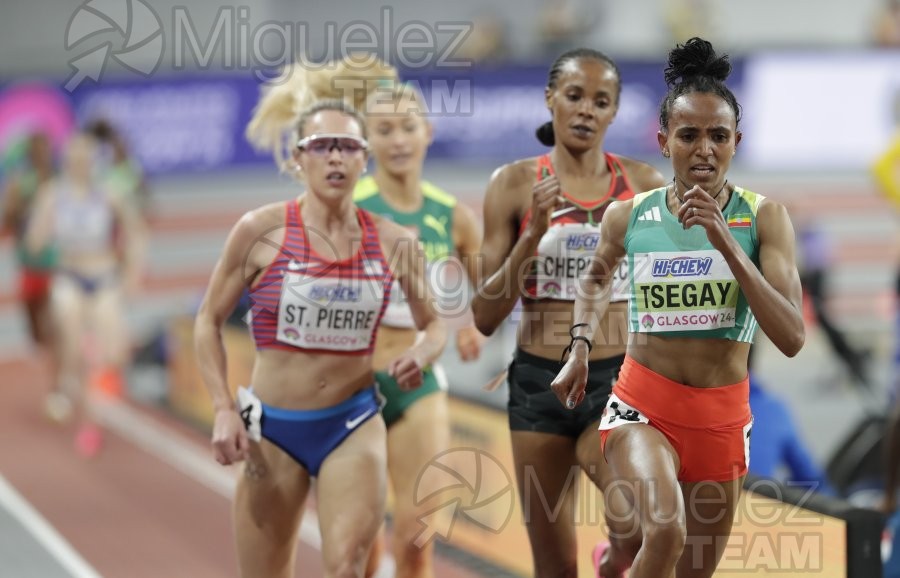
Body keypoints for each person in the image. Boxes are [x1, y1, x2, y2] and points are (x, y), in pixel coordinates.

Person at [551, 37, 805, 578]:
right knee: (664, 531)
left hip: (721, 418)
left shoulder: (764, 220)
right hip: (642, 406)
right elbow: (595, 279)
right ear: (664, 141)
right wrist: (579, 346)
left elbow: (791, 337)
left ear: (737, 141)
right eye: (689, 135)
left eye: (718, 136)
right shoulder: (628, 216)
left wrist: (728, 244)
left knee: (682, 568)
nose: (704, 149)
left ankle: (613, 561)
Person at [247, 57, 484, 578]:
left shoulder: (451, 215)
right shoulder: (353, 205)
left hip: (418, 385)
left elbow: (479, 284)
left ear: (428, 132)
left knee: (420, 534)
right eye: (384, 131)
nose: (398, 141)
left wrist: (470, 324)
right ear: (368, 143)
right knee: (362, 548)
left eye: (407, 128)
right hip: (355, 389)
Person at [196, 98, 447, 578]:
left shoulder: (396, 242)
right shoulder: (259, 232)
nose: (336, 157)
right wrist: (223, 408)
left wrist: (422, 352)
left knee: (349, 567)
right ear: (297, 158)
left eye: (348, 146)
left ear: (363, 159)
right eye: (323, 146)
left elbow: (434, 325)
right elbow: (207, 320)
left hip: (351, 423)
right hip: (271, 429)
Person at [471, 48, 666, 578]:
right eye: (574, 96)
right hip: (537, 385)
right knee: (554, 565)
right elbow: (486, 314)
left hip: (618, 382)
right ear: (550, 99)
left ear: (613, 112)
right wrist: (531, 234)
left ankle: (614, 561)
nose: (585, 110)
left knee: (637, 523)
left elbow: (669, 284)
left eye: (600, 101)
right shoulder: (512, 184)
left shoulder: (645, 185)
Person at [26, 132, 144, 455]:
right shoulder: (53, 194)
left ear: (95, 162)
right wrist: (40, 233)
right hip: (69, 276)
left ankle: (89, 378)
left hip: (103, 277)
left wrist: (132, 274)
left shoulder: (109, 193)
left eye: (86, 160)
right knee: (69, 325)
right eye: (75, 160)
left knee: (112, 353)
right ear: (67, 162)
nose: (81, 166)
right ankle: (70, 393)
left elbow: (135, 232)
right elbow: (35, 240)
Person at [1, 132, 58, 355]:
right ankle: (39, 344)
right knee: (31, 309)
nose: (42, 155)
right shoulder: (21, 183)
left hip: (57, 257)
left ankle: (56, 352)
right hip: (29, 258)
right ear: (30, 154)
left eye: (46, 150)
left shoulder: (59, 179)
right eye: (37, 151)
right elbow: (8, 218)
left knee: (55, 309)